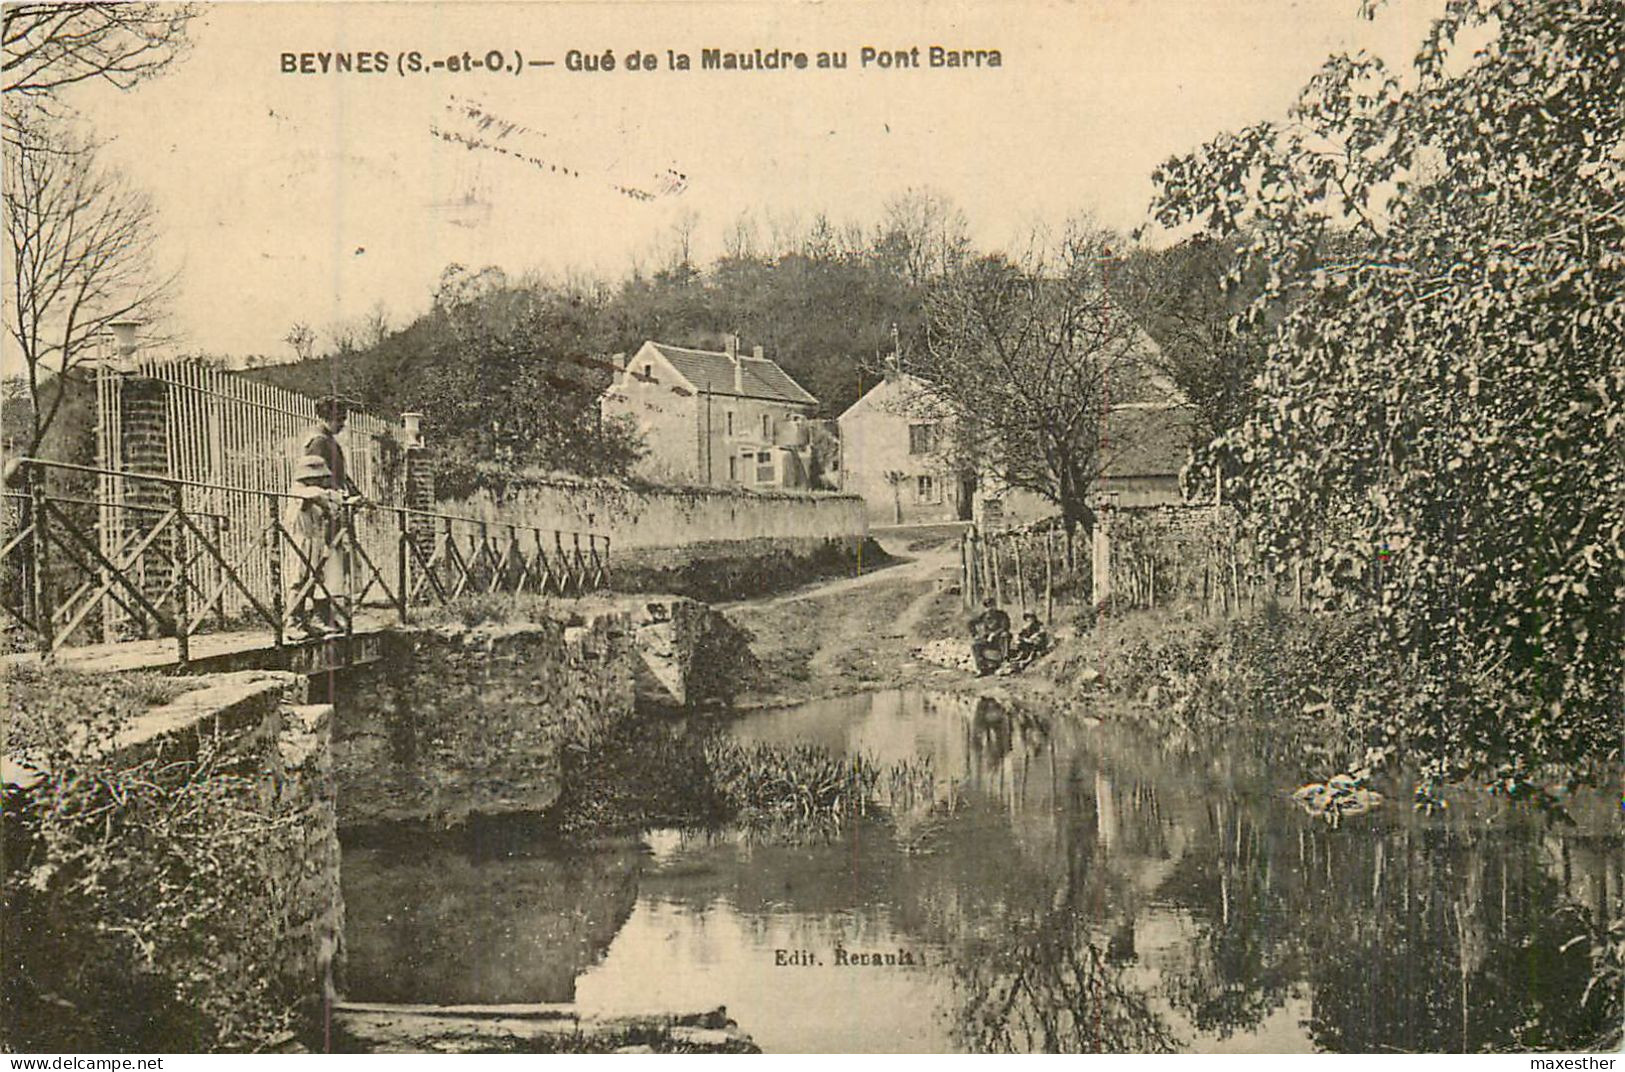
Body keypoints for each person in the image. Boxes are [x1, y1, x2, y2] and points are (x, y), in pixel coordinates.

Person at [299, 395, 365, 627]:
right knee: (326, 562)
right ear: (326, 417)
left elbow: (341, 475)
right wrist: (335, 499)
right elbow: (313, 478)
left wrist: (356, 493)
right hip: (325, 510)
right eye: (339, 419)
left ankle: (329, 616)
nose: (343, 424)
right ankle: (319, 616)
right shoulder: (318, 441)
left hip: (336, 506)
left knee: (335, 562)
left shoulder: (330, 441)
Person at [283, 454, 345, 636]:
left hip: (316, 542)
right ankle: (292, 623)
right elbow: (315, 495)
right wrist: (333, 498)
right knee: (298, 580)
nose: (322, 480)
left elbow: (332, 509)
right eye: (319, 477)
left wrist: (339, 501)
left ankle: (306, 621)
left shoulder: (318, 494)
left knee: (313, 581)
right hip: (301, 540)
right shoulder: (299, 490)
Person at [969, 597, 1012, 676]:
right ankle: (981, 668)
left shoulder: (1002, 615)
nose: (990, 608)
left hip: (999, 639)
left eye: (992, 605)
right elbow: (971, 623)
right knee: (975, 645)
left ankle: (1005, 661)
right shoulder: (984, 615)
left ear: (995, 606)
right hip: (988, 639)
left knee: (1005, 635)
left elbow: (1005, 627)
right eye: (987, 606)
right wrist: (975, 634)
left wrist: (994, 634)